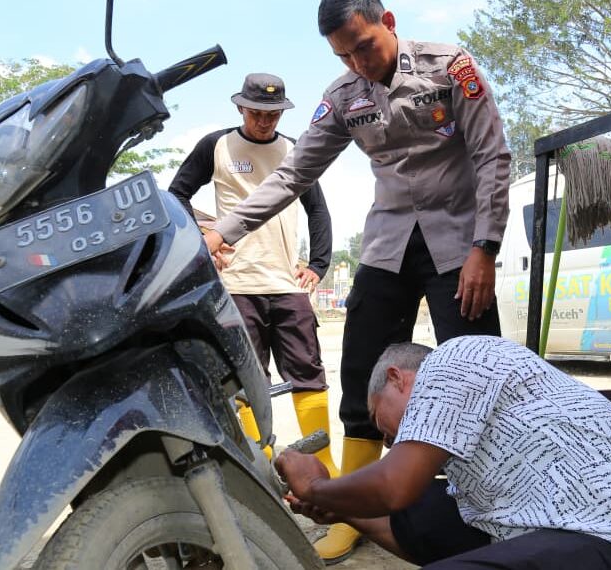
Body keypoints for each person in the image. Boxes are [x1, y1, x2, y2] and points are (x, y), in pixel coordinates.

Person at [202, 1, 511, 560]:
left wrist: (484, 248)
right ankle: (356, 508)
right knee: (362, 371)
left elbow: (492, 156)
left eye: (363, 46)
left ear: (388, 22)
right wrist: (224, 231)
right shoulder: (343, 96)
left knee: (478, 369)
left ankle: (501, 497)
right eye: (343, 55)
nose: (357, 62)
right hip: (389, 245)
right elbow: (296, 173)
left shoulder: (450, 67)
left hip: (458, 245)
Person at [276, 336, 611, 569]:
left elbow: (393, 485)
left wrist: (319, 485)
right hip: (575, 531)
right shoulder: (475, 462)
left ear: (398, 378)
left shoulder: (454, 359)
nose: (390, 440)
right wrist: (340, 507)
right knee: (427, 509)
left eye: (381, 421)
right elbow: (414, 524)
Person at [168, 72, 339, 476]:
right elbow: (176, 194)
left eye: (274, 113)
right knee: (246, 379)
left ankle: (323, 464)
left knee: (308, 373)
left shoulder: (295, 150)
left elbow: (317, 209)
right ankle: (260, 466)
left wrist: (317, 264)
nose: (265, 120)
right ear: (241, 107)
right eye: (258, 112)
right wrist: (205, 238)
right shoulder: (217, 146)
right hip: (238, 286)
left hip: (287, 285)